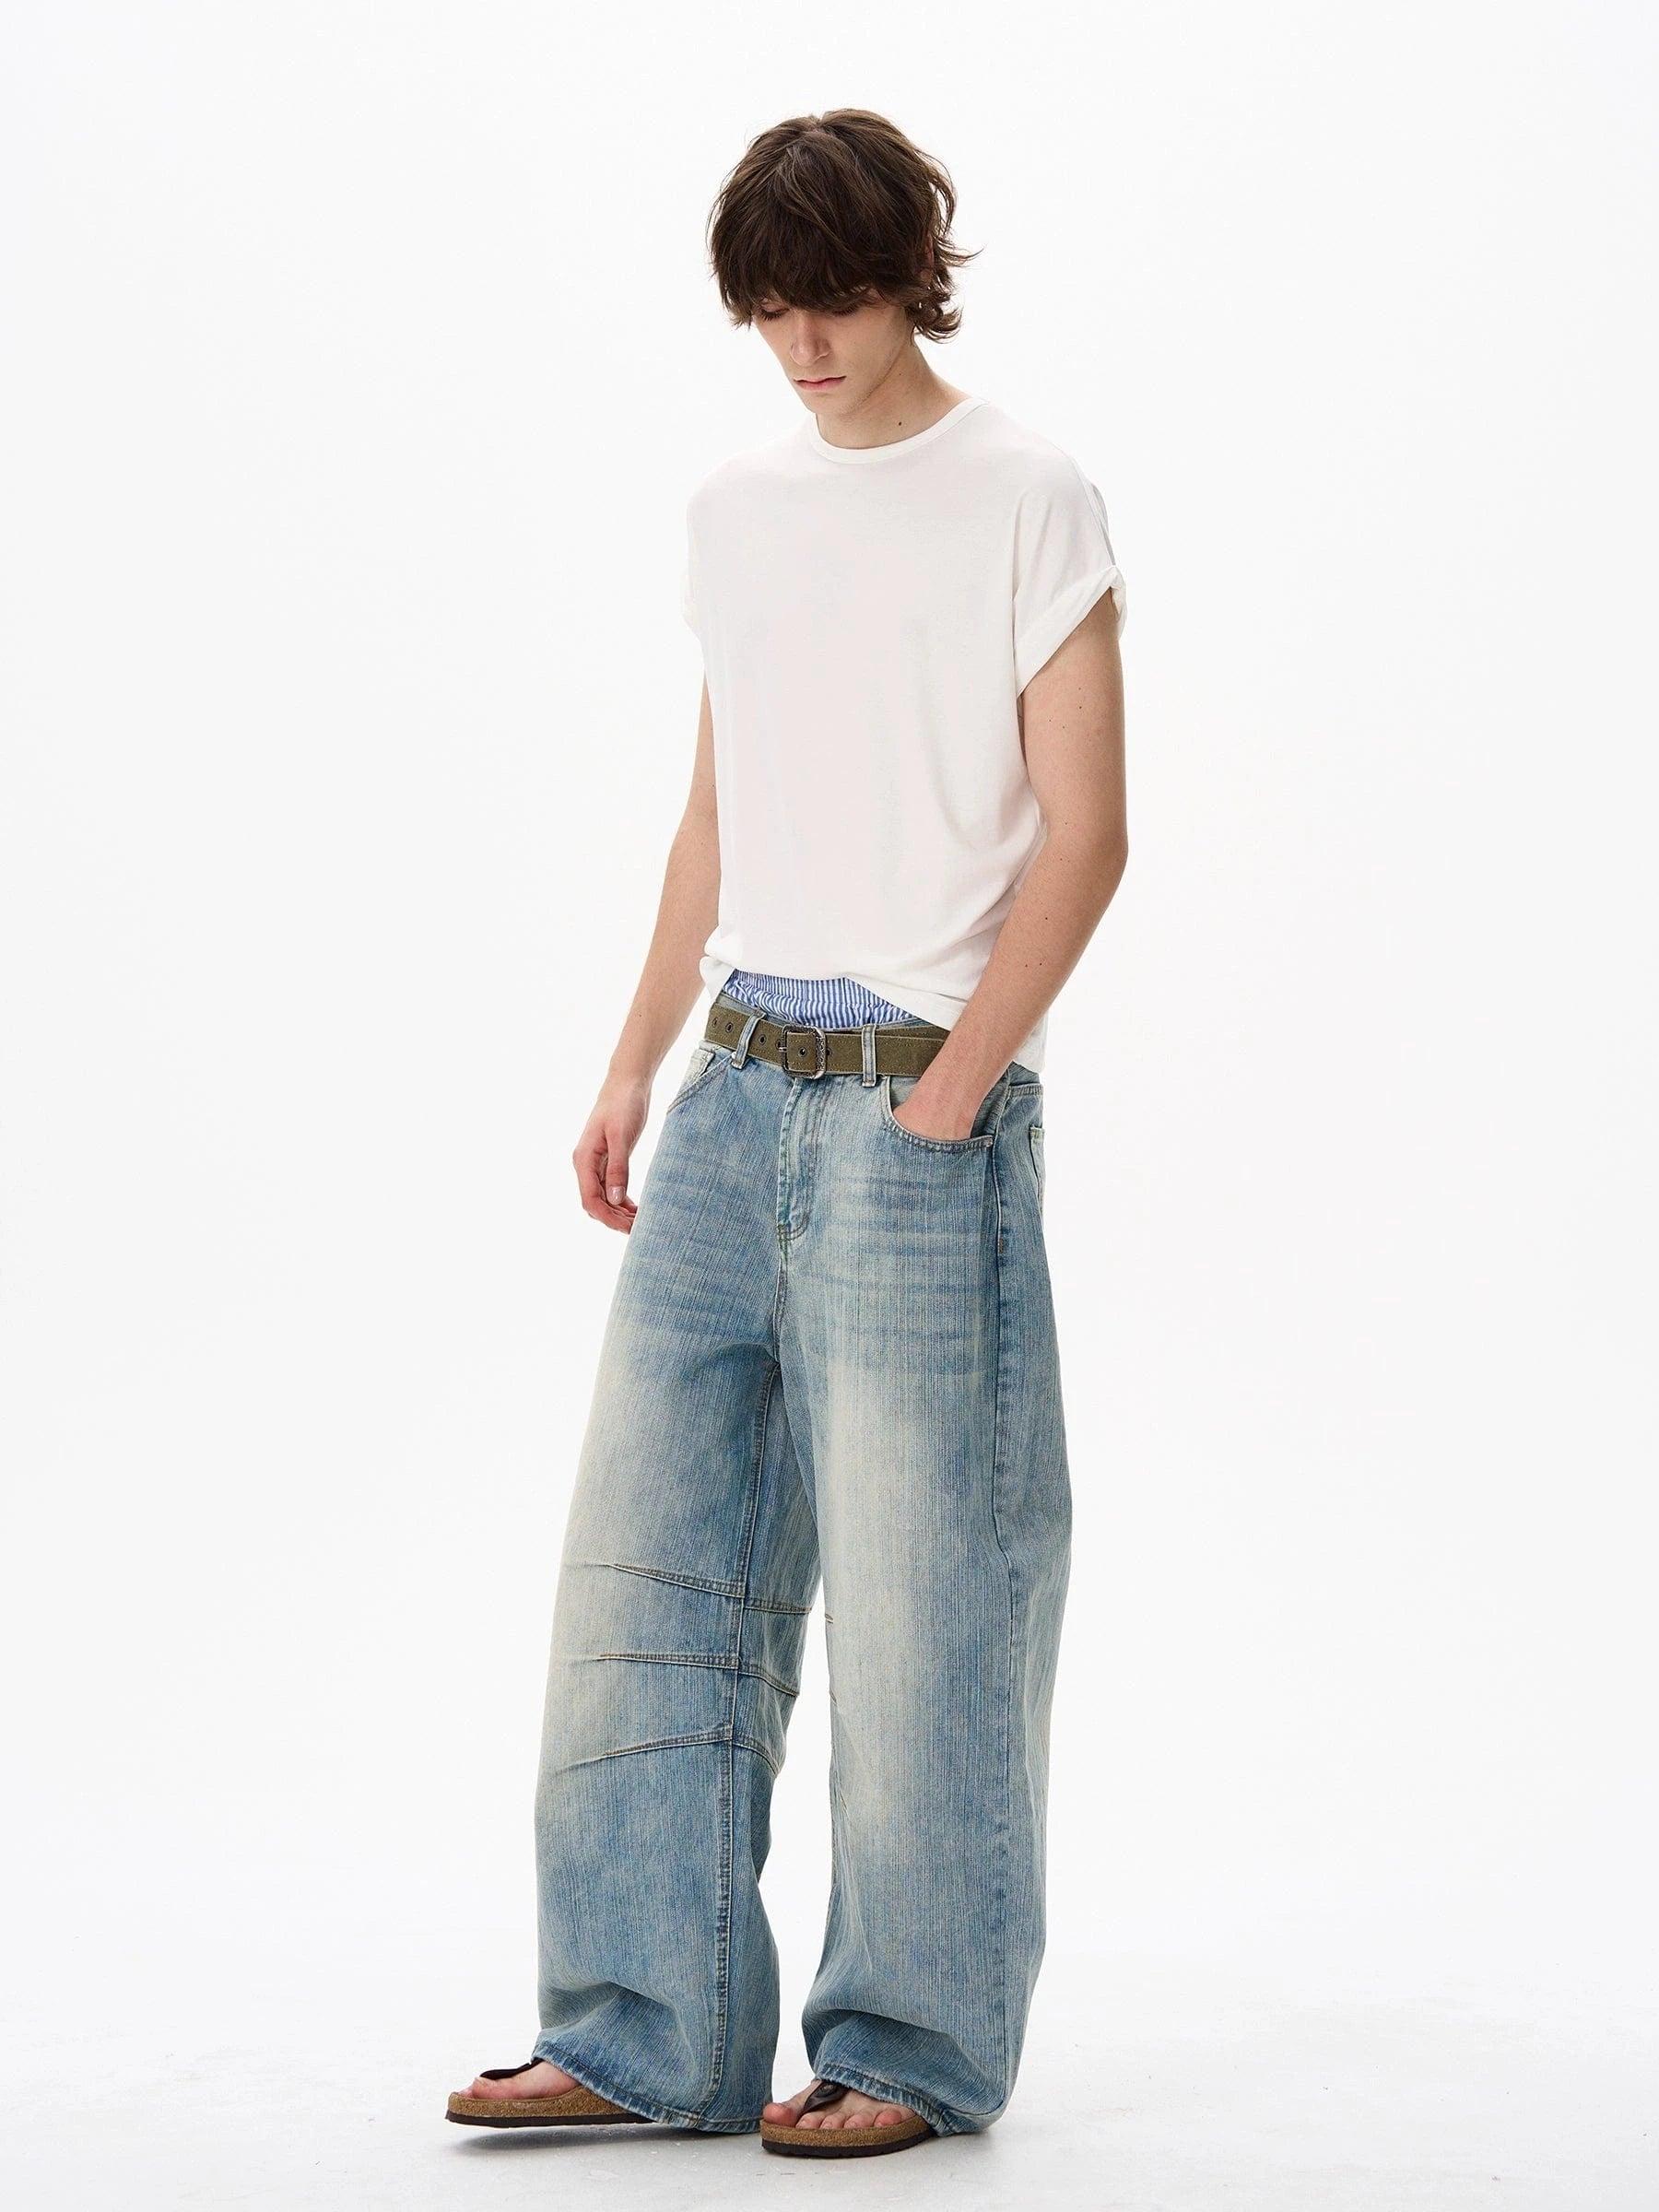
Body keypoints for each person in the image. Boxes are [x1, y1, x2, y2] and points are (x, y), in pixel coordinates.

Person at [447, 107, 1128, 2160]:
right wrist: (630, 1063)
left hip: (920, 1107)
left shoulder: (1028, 494)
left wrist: (951, 1093)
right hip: (733, 1093)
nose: (803, 345)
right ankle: (644, 2030)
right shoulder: (739, 510)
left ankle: (910, 2044)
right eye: (768, 310)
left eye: (831, 299)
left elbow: (1088, 836)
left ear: (911, 274)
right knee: (646, 1580)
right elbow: (716, 814)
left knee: (934, 1611)